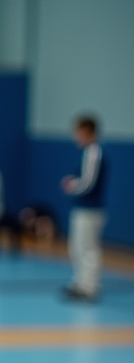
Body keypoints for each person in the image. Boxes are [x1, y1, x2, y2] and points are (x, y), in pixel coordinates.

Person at [61, 115, 109, 302]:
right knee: (77, 248)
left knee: (88, 249)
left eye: (78, 132)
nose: (76, 136)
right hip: (82, 208)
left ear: (88, 131)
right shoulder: (87, 152)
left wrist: (72, 185)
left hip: (91, 210)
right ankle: (80, 283)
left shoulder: (93, 152)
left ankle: (90, 288)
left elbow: (88, 182)